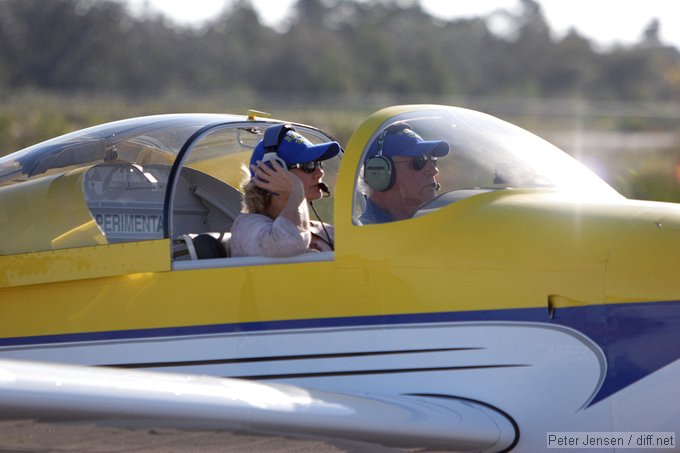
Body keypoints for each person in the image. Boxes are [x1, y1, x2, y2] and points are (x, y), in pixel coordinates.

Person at [230, 124, 341, 257]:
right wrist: (296, 189)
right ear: (273, 171)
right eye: (309, 165)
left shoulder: (323, 231)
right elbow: (289, 242)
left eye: (319, 164)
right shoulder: (247, 228)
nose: (320, 172)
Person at [360, 123, 450, 224]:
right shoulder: (363, 235)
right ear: (379, 173)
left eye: (433, 159)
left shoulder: (437, 226)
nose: (434, 171)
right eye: (419, 160)